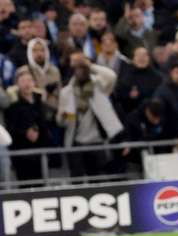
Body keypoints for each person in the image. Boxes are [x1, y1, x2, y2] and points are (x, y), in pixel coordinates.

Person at [56, 52, 122, 180]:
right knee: (77, 180)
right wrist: (63, 116)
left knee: (99, 179)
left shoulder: (99, 86)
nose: (80, 72)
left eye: (83, 68)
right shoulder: (66, 92)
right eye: (77, 68)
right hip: (76, 143)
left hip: (97, 142)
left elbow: (112, 76)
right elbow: (60, 122)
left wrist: (89, 64)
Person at [6, 71, 49, 182]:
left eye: (29, 80)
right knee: (25, 184)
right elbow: (11, 130)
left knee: (42, 185)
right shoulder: (13, 106)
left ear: (34, 83)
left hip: (40, 151)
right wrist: (25, 132)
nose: (27, 84)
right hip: (21, 153)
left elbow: (45, 124)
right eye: (23, 81)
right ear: (17, 84)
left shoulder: (40, 103)